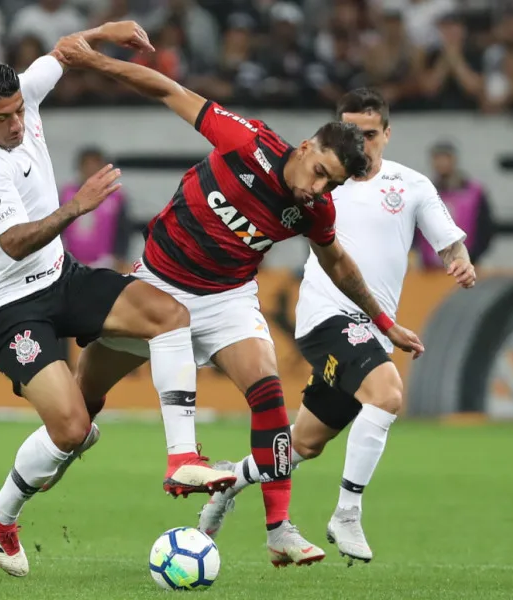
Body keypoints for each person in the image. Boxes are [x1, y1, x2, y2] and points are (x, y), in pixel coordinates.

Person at [54, 38, 425, 567]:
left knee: (268, 390)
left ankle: (279, 528)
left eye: (331, 186)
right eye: (319, 172)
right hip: (158, 285)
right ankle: (11, 502)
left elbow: (339, 263)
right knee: (77, 411)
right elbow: (165, 86)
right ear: (303, 146)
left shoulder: (314, 211)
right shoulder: (244, 140)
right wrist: (92, 62)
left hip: (226, 297)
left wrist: (385, 321)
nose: (316, 190)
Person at [0, 22, 234, 579]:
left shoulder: (21, 96)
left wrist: (108, 31)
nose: (16, 125)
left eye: (18, 112)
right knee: (72, 430)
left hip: (61, 278)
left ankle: (183, 458)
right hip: (7, 309)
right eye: (2, 118)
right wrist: (77, 206)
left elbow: (63, 51)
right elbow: (12, 244)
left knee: (168, 315)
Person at [196, 88, 476, 565]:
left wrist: (461, 261)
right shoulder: (324, 182)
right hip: (326, 316)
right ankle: (347, 512)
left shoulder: (412, 186)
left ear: (387, 133)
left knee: (305, 442)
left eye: (368, 133)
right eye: (349, 131)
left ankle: (230, 480)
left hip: (370, 328)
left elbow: (448, 241)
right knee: (387, 394)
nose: (359, 142)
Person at [415, 140, 494, 267]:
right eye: (437, 159)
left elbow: (486, 229)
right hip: (430, 270)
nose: (441, 163)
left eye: (445, 158)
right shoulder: (423, 193)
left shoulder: (474, 192)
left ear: (454, 160)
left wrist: (474, 256)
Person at [59, 146, 132, 272]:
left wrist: (119, 257)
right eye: (87, 165)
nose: (91, 170)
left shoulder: (116, 196)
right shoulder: (67, 194)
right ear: (79, 167)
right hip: (70, 263)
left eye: (96, 165)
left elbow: (123, 230)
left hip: (105, 262)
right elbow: (57, 226)